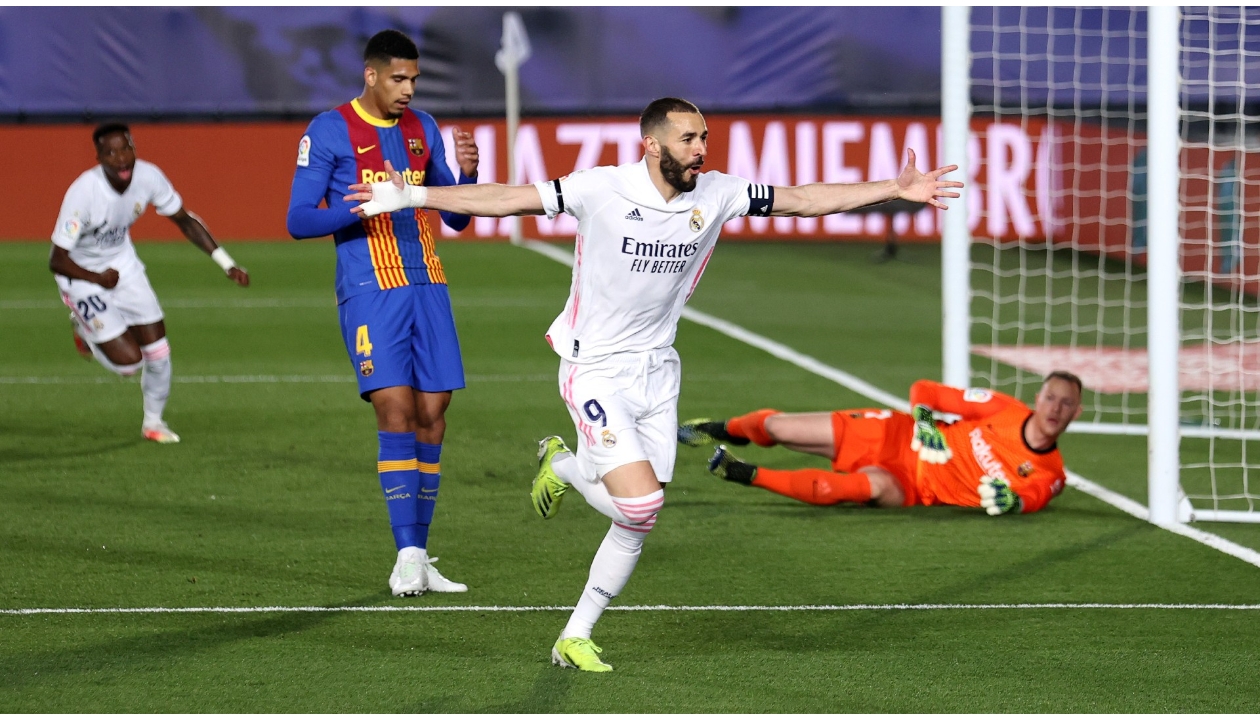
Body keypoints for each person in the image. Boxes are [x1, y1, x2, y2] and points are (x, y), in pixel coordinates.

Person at [343, 97, 962, 670]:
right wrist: (414, 195)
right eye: (690, 139)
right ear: (651, 144)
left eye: (706, 138)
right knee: (641, 504)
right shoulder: (602, 187)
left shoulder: (717, 193)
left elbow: (801, 198)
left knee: (639, 515)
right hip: (594, 367)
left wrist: (893, 189)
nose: (702, 149)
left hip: (657, 371)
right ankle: (569, 491)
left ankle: (573, 626)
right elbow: (509, 197)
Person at [285, 30, 479, 598]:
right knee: (395, 410)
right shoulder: (328, 130)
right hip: (370, 286)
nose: (408, 90)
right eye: (398, 79)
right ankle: (405, 556)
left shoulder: (424, 129)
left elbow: (458, 217)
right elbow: (299, 218)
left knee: (433, 415)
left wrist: (463, 177)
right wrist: (367, 207)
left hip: (429, 284)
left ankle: (419, 554)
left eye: (414, 79)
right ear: (371, 75)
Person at [51, 123, 250, 444]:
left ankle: (153, 423)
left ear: (134, 147)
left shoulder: (148, 176)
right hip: (80, 275)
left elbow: (184, 220)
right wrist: (97, 278)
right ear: (99, 157)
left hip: (123, 265)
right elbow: (56, 260)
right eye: (111, 152)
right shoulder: (83, 193)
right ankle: (85, 330)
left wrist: (226, 264)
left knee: (158, 353)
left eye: (125, 148)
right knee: (129, 365)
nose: (121, 159)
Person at [680, 372, 1084, 516]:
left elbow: (1033, 496)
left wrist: (1012, 502)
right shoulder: (1003, 409)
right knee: (777, 427)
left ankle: (743, 472)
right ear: (1038, 398)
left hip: (914, 486)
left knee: (855, 488)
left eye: (1066, 404)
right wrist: (925, 422)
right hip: (895, 433)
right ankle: (721, 428)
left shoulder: (1051, 474)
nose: (1055, 408)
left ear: (1076, 413)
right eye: (1051, 397)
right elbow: (926, 389)